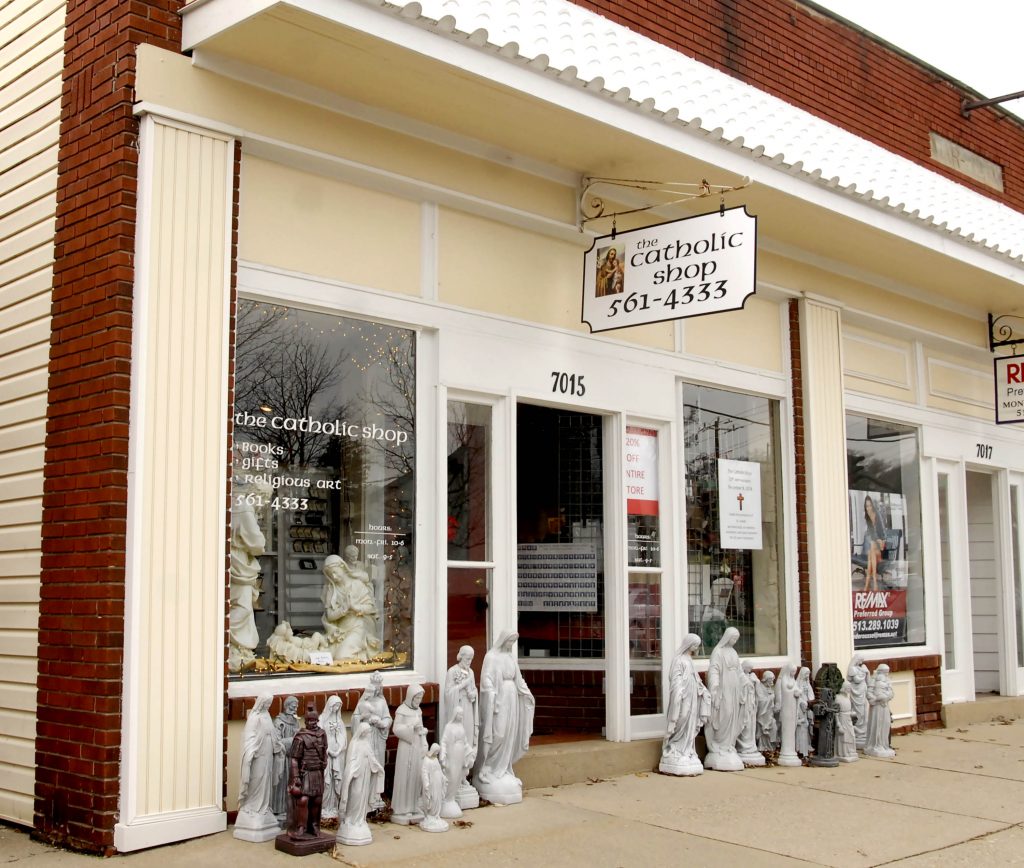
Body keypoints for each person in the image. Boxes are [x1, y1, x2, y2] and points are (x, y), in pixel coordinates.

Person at [474, 630, 535, 804]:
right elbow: (486, 678)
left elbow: (518, 678)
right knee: (497, 733)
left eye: (514, 642)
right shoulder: (491, 657)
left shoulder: (510, 658)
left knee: (509, 732)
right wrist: (491, 693)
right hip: (497, 699)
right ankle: (487, 767)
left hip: (511, 697)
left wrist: (527, 693)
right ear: (503, 640)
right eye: (509, 642)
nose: (511, 645)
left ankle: (503, 769)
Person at [660, 633, 710, 776]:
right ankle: (674, 747)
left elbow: (696, 678)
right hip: (683, 695)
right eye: (695, 644)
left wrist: (703, 689)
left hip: (692, 695)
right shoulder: (679, 660)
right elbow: (675, 679)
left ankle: (686, 750)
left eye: (697, 645)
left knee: (690, 721)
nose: (696, 647)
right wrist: (678, 694)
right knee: (681, 718)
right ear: (688, 644)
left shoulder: (689, 659)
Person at [321, 546, 381, 662]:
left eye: (335, 572)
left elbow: (370, 608)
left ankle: (361, 656)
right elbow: (330, 616)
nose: (333, 576)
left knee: (341, 657)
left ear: (342, 567)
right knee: (323, 656)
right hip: (338, 632)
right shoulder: (331, 589)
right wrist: (343, 609)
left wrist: (355, 607)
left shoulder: (357, 584)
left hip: (357, 627)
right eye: (330, 574)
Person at [229, 494, 265, 672]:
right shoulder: (244, 507)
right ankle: (231, 643)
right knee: (242, 607)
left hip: (233, 560)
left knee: (238, 605)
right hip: (240, 562)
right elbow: (256, 542)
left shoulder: (233, 503)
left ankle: (236, 647)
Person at [236, 693, 280, 840]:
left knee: (266, 778)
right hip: (257, 753)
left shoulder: (267, 715)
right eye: (266, 703)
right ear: (261, 703)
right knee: (257, 778)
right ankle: (252, 806)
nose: (268, 706)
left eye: (270, 704)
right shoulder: (254, 718)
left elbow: (272, 732)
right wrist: (251, 751)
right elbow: (249, 737)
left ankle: (263, 808)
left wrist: (277, 745)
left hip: (267, 752)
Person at [703, 626, 745, 771]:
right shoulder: (718, 652)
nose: (735, 641)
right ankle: (718, 744)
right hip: (723, 687)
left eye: (736, 639)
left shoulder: (733, 652)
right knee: (724, 714)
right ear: (727, 637)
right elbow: (714, 670)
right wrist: (714, 685)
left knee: (733, 713)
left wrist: (745, 681)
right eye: (733, 638)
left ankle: (728, 745)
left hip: (734, 687)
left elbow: (739, 671)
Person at [336, 721, 383, 846]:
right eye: (366, 732)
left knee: (363, 796)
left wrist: (377, 766)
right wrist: (353, 770)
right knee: (355, 795)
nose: (368, 734)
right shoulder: (354, 743)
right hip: (357, 775)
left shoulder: (367, 744)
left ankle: (360, 820)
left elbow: (371, 757)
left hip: (366, 774)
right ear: (361, 732)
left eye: (369, 733)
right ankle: (350, 819)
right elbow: (350, 761)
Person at [350, 672, 391, 811]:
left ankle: (376, 795)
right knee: (365, 763)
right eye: (372, 689)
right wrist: (363, 717)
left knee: (377, 763)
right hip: (366, 735)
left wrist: (381, 722)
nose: (375, 691)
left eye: (377, 689)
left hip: (377, 736)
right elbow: (355, 719)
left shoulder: (382, 702)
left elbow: (388, 719)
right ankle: (364, 794)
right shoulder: (362, 702)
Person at [288, 702, 328, 840]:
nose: (313, 722)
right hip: (306, 774)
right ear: (305, 721)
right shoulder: (300, 737)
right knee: (304, 800)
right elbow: (294, 759)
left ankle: (315, 825)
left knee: (317, 799)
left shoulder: (322, 734)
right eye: (310, 720)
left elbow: (324, 751)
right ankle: (300, 827)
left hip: (317, 772)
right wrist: (296, 777)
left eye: (315, 720)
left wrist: (325, 762)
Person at [391, 683, 428, 825]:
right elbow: (396, 728)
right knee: (405, 775)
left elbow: (421, 726)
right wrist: (411, 727)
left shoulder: (418, 710)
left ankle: (413, 805)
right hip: (407, 746)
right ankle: (403, 807)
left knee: (415, 774)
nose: (418, 701)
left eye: (420, 698)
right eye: (417, 697)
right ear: (410, 696)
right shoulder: (401, 710)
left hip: (417, 744)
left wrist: (422, 731)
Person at [443, 645, 479, 762]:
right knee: (457, 737)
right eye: (467, 658)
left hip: (468, 708)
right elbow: (448, 693)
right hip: (457, 708)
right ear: (461, 657)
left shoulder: (471, 672)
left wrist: (473, 694)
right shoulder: (452, 671)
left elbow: (473, 690)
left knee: (467, 735)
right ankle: (455, 769)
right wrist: (463, 684)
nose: (469, 662)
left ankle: (464, 772)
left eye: (471, 659)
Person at [318, 695, 347, 823]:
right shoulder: (322, 720)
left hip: (337, 755)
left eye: (338, 706)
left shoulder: (339, 721)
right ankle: (324, 807)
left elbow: (343, 738)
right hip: (326, 754)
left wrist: (339, 749)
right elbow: (319, 737)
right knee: (326, 781)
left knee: (336, 780)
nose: (336, 708)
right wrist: (328, 749)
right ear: (330, 706)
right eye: (335, 706)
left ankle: (333, 806)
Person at [271, 696, 300, 820]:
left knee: (291, 782)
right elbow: (277, 742)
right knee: (281, 783)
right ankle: (279, 809)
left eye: (296, 707)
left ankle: (289, 808)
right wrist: (291, 741)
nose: (295, 709)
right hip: (282, 758)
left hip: (292, 758)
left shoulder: (296, 721)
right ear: (287, 706)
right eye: (293, 707)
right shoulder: (279, 722)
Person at [864, 664, 896, 759]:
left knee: (885, 724)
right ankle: (876, 745)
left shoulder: (887, 680)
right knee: (877, 724)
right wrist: (876, 699)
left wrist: (887, 696)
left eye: (887, 672)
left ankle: (884, 744)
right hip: (877, 707)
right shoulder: (874, 680)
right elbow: (869, 692)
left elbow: (891, 691)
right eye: (885, 672)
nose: (886, 674)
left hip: (885, 705)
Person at [774, 663, 802, 767]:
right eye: (792, 671)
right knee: (786, 729)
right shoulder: (783, 680)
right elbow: (784, 692)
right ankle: (786, 750)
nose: (793, 674)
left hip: (793, 707)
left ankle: (791, 749)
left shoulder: (793, 680)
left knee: (791, 729)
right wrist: (794, 693)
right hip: (786, 708)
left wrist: (798, 692)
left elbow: (795, 689)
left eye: (795, 672)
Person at [862, 495, 887, 591]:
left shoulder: (877, 514)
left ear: (873, 505)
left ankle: (868, 584)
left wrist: (882, 540)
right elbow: (872, 533)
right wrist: (877, 540)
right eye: (866, 506)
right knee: (871, 550)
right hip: (875, 544)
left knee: (871, 549)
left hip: (882, 546)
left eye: (870, 506)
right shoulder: (867, 517)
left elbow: (882, 530)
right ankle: (873, 582)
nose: (868, 508)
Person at [847, 654, 870, 750]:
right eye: (860, 660)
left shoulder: (861, 668)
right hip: (856, 693)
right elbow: (856, 680)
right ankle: (857, 732)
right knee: (858, 712)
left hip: (862, 692)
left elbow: (867, 680)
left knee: (864, 712)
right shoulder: (853, 669)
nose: (861, 663)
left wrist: (867, 672)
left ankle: (863, 732)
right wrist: (863, 673)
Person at [835, 681, 858, 762]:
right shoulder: (837, 698)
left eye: (849, 688)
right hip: (842, 719)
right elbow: (836, 713)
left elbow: (848, 709)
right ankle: (843, 753)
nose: (849, 690)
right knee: (843, 736)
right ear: (843, 688)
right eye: (848, 688)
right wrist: (838, 724)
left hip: (848, 719)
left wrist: (852, 714)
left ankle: (850, 751)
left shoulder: (847, 698)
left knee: (851, 735)